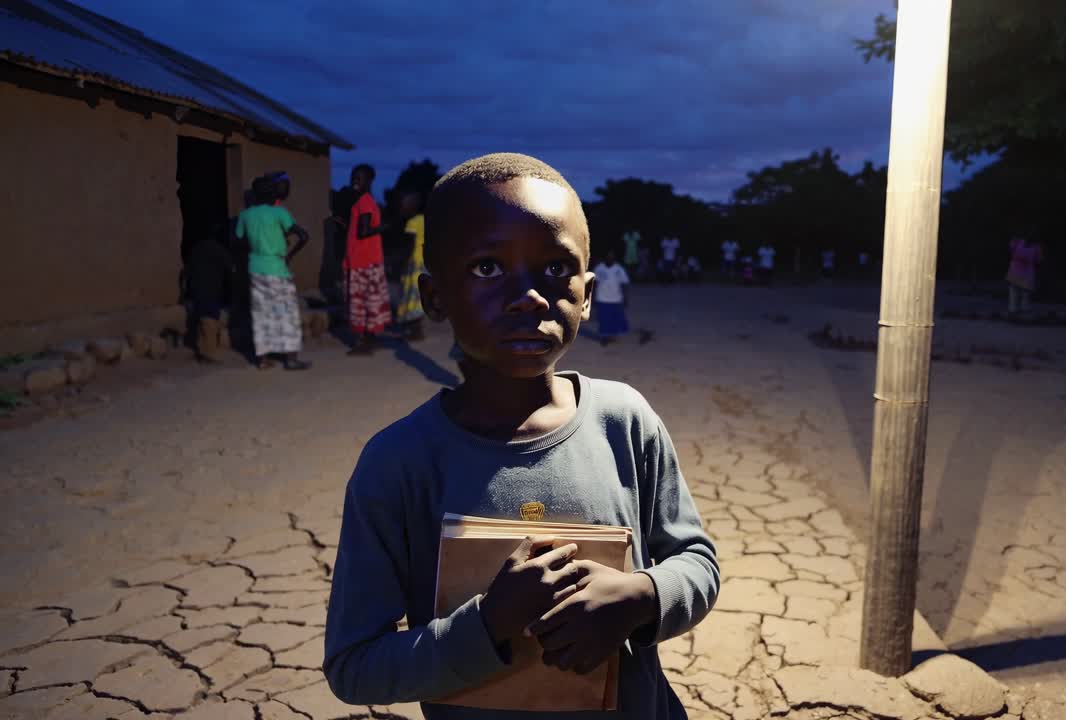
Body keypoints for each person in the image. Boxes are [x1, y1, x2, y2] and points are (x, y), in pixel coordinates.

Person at [324, 153, 719, 719]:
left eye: (556, 268)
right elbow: (354, 665)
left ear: (586, 292)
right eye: (487, 268)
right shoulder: (398, 464)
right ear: (435, 297)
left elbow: (696, 561)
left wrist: (641, 597)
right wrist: (486, 627)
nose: (531, 295)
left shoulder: (625, 421)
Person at [235, 175, 312, 370]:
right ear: (272, 193)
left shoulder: (245, 215)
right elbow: (303, 236)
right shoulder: (279, 213)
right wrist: (289, 255)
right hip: (277, 269)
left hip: (255, 269)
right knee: (287, 314)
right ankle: (291, 359)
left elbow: (237, 241)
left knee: (261, 313)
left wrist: (256, 245)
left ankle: (262, 359)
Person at [345, 164, 393, 355]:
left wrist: (382, 228)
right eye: (353, 177)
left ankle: (362, 342)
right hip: (370, 259)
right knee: (372, 300)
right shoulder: (369, 201)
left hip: (361, 261)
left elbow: (363, 231)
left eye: (360, 178)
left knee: (360, 302)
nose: (355, 181)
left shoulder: (363, 202)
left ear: (370, 180)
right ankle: (371, 338)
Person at [182, 222, 233, 363]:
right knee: (210, 320)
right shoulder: (219, 250)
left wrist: (185, 293)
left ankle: (203, 350)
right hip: (211, 291)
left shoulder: (195, 249)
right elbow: (231, 270)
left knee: (202, 320)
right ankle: (208, 354)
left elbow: (186, 273)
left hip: (196, 291)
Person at [396, 190, 427, 341]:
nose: (401, 208)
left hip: (414, 263)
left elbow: (409, 246)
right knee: (418, 297)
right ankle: (417, 330)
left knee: (410, 296)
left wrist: (401, 264)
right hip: (425, 263)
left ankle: (415, 331)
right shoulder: (425, 219)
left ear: (412, 206)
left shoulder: (412, 223)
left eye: (403, 205)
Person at [593, 249, 631, 345]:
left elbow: (624, 283)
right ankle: (604, 337)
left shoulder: (619, 269)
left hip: (616, 298)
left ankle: (612, 336)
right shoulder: (599, 268)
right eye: (608, 256)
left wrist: (625, 297)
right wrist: (591, 297)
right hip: (602, 298)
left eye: (612, 257)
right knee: (604, 318)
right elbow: (594, 283)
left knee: (615, 318)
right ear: (604, 258)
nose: (610, 258)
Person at [1006, 235, 1043, 316]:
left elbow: (1010, 251)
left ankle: (1015, 311)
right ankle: (1019, 311)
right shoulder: (1035, 247)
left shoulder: (1017, 243)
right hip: (1023, 273)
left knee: (1017, 294)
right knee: (1022, 294)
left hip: (1019, 272)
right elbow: (1038, 261)